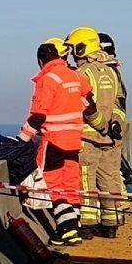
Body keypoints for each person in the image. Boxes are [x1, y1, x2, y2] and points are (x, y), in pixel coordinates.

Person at [18, 38, 87, 246]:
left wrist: (23, 138)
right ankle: (76, 226)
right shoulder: (74, 75)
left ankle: (67, 230)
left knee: (54, 185)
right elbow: (88, 101)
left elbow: (38, 115)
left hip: (54, 141)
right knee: (71, 184)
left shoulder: (47, 79)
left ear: (41, 61)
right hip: (75, 140)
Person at [66, 27, 127, 239]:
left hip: (88, 137)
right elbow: (120, 101)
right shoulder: (111, 71)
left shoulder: (82, 74)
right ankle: (111, 224)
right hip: (112, 138)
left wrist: (101, 124)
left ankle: (88, 225)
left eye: (74, 49)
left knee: (86, 180)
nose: (72, 54)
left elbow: (83, 104)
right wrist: (116, 123)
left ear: (82, 48)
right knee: (109, 179)